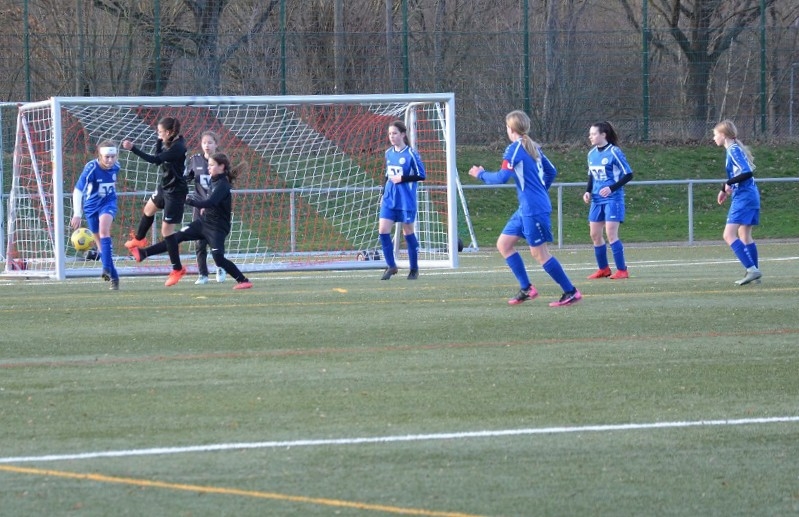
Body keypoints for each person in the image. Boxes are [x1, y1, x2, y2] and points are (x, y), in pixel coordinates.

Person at [468, 110, 581, 307]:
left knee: (540, 254)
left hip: (533, 208)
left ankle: (570, 291)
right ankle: (527, 288)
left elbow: (502, 177)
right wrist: (539, 191)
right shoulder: (532, 147)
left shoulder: (515, 149)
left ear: (510, 128)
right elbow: (551, 172)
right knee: (504, 244)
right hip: (527, 207)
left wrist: (480, 174)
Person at [129, 152, 253, 290]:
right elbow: (211, 202)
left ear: (221, 167)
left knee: (218, 258)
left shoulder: (223, 185)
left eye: (211, 165)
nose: (208, 168)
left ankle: (243, 280)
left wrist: (190, 201)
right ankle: (143, 253)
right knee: (176, 237)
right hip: (204, 222)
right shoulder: (214, 179)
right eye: (208, 165)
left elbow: (211, 202)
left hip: (217, 228)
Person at [122, 117, 189, 286]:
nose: (158, 134)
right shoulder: (170, 142)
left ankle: (177, 269)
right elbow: (159, 157)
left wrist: (133, 148)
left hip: (175, 193)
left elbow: (154, 160)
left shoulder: (178, 147)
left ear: (169, 132)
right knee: (148, 210)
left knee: (167, 232)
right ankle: (139, 239)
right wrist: (159, 140)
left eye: (160, 132)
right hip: (165, 187)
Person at [713, 119, 762, 286]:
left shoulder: (733, 150)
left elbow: (746, 173)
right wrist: (725, 188)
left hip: (744, 196)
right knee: (744, 235)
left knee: (728, 235)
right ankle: (755, 274)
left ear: (723, 135)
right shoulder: (735, 149)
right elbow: (739, 174)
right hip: (750, 195)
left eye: (715, 135)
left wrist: (727, 184)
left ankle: (752, 270)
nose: (714, 138)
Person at [583, 121, 633, 280]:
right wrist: (588, 191)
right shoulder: (591, 154)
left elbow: (629, 174)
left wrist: (612, 188)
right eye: (590, 134)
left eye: (593, 134)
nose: (590, 137)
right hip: (597, 200)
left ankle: (622, 270)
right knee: (594, 234)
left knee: (611, 234)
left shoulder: (614, 152)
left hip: (613, 199)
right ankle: (603, 269)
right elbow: (591, 176)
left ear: (603, 135)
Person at [70, 140, 122, 290]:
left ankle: (106, 268)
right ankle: (114, 278)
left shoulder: (116, 167)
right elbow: (78, 190)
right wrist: (77, 213)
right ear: (99, 156)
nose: (110, 160)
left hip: (108, 203)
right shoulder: (91, 168)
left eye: (113, 156)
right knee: (100, 245)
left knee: (104, 230)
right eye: (107, 157)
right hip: (91, 207)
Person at [378, 120, 426, 280]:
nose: (391, 136)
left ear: (403, 134)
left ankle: (414, 269)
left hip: (405, 200)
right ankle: (391, 266)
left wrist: (403, 178)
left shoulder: (411, 154)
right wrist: (383, 194)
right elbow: (387, 176)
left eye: (395, 133)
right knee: (383, 231)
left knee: (408, 232)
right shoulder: (388, 153)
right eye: (390, 134)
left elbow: (421, 175)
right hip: (389, 199)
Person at [185, 130, 226, 285]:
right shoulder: (195, 160)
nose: (207, 145)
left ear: (216, 144)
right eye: (204, 143)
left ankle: (220, 267)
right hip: (198, 206)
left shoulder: (221, 161)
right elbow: (187, 178)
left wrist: (209, 203)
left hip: (216, 206)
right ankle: (203, 274)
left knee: (215, 240)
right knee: (199, 242)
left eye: (210, 142)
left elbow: (224, 184)